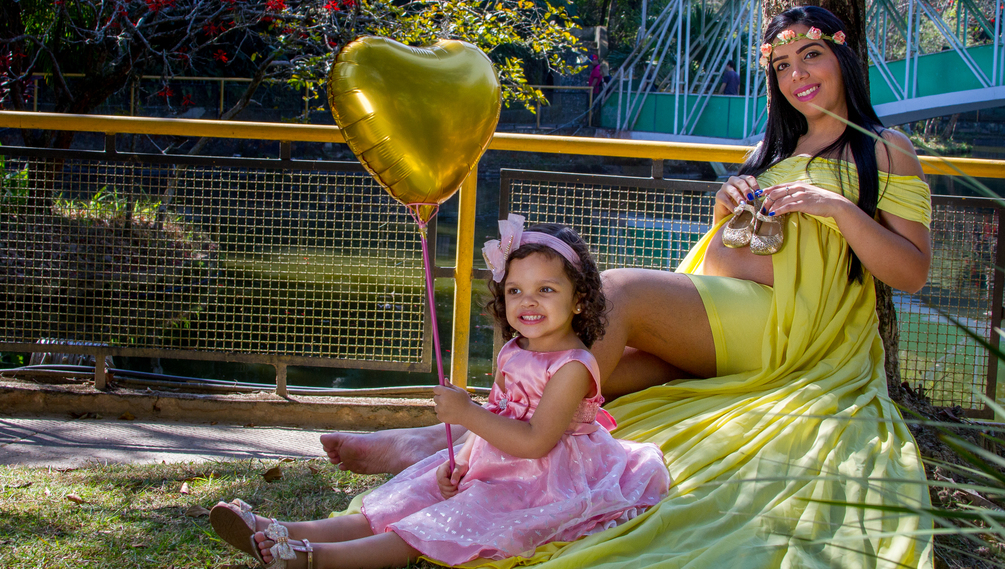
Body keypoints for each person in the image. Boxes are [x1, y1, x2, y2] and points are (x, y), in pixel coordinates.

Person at [321, 5, 934, 569]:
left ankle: (451, 437)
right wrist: (727, 208)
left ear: (843, 58)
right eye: (781, 66)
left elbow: (911, 272)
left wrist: (838, 208)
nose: (797, 75)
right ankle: (456, 440)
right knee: (601, 375)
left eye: (811, 56)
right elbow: (740, 244)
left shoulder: (884, 150)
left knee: (619, 292)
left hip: (791, 329)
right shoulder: (775, 148)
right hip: (732, 317)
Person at [210, 220, 669, 569]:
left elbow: (535, 442)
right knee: (406, 497)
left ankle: (315, 559)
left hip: (546, 479)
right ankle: (279, 529)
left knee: (440, 522)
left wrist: (466, 414)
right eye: (516, 290)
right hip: (496, 461)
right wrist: (464, 462)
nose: (528, 302)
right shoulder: (515, 349)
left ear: (580, 300)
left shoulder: (572, 367)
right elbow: (499, 412)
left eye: (546, 290)